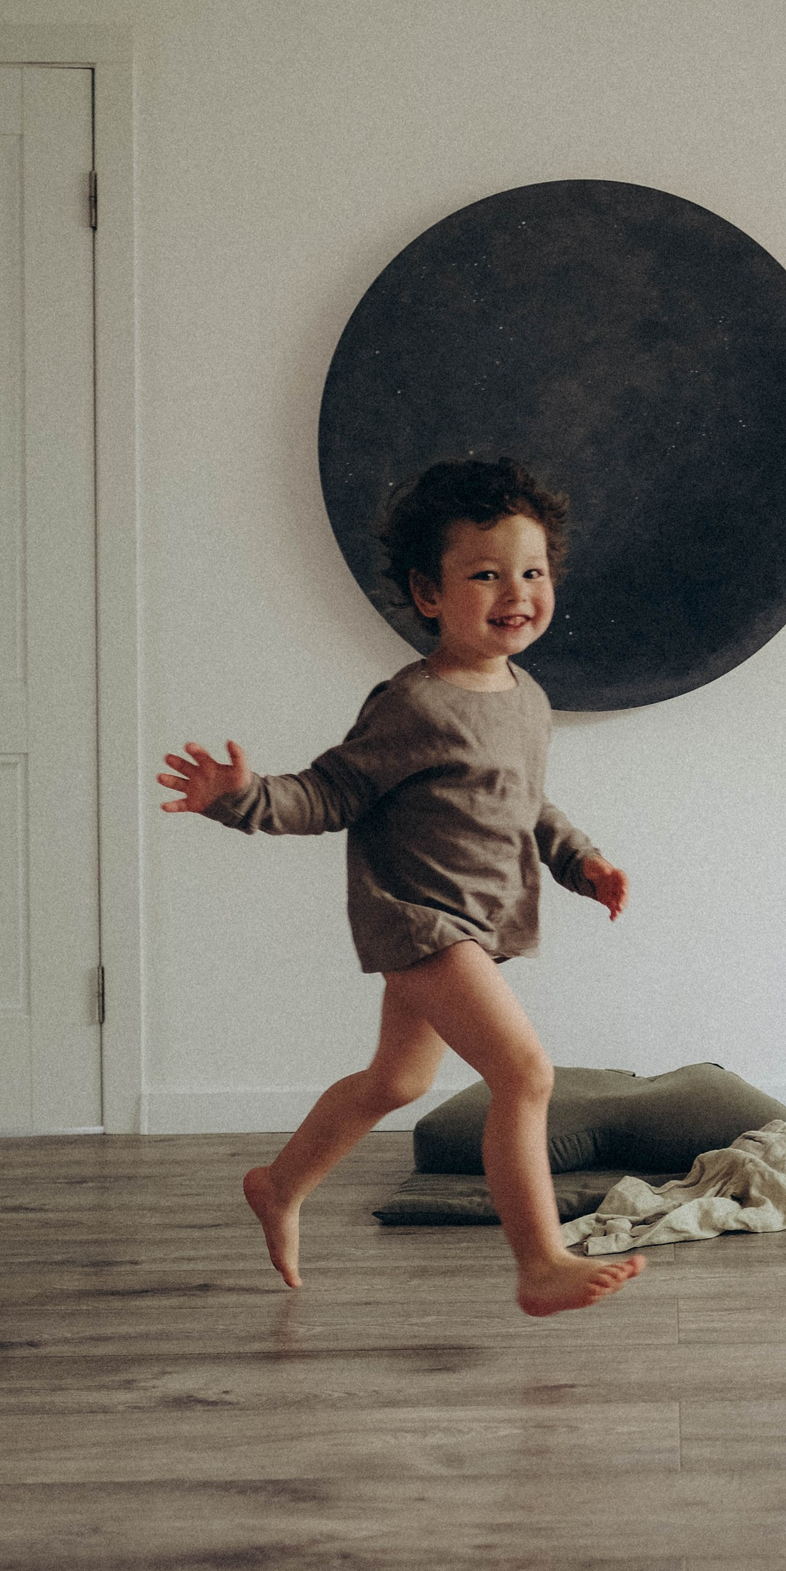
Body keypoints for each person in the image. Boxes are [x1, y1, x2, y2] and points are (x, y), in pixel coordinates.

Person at [157, 458, 645, 1316]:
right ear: (429, 594)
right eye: (486, 574)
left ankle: (279, 1184)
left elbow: (527, 801)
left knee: (398, 1080)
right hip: (416, 919)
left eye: (532, 572)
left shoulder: (527, 696)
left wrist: (583, 862)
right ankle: (539, 1261)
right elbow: (332, 790)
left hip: (476, 920)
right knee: (525, 1073)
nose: (516, 592)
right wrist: (243, 799)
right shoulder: (414, 703)